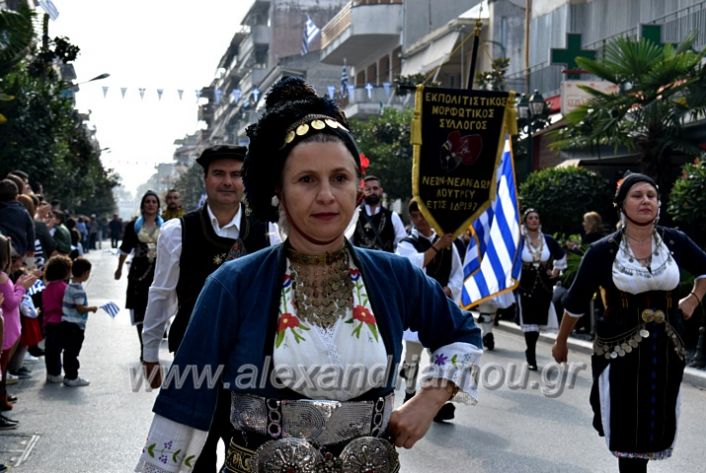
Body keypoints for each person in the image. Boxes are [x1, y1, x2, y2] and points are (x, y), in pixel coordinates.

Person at [135, 77, 482, 473]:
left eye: (340, 178)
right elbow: (183, 412)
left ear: (357, 189)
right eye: (306, 180)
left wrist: (430, 397)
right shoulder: (234, 284)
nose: (326, 196)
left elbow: (461, 334)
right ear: (278, 191)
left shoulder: (394, 276)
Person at [553, 173, 706, 473]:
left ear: (659, 205)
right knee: (626, 419)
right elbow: (575, 302)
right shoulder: (603, 250)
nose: (645, 201)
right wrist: (561, 342)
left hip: (666, 349)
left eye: (651, 195)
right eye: (637, 195)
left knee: (657, 416)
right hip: (619, 348)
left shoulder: (675, 241)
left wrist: (693, 298)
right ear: (621, 204)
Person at [141, 145, 273, 472]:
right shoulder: (177, 231)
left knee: (246, 456)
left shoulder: (267, 232)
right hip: (194, 360)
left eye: (236, 174)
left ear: (246, 180)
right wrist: (149, 353)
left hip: (251, 364)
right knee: (192, 457)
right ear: (205, 179)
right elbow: (161, 295)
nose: (227, 182)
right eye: (219, 174)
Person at [396, 198, 463, 421]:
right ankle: (409, 393)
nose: (419, 219)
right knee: (413, 355)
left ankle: (436, 402)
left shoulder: (448, 243)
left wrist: (449, 289)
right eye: (414, 216)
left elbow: (457, 272)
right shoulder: (406, 243)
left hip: (440, 307)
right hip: (418, 309)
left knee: (440, 356)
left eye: (423, 214)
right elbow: (414, 265)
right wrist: (437, 246)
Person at [115, 191, 163, 361]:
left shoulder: (164, 227)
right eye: (147, 201)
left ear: (158, 205)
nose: (151, 204)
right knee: (141, 310)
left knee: (157, 311)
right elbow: (125, 248)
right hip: (138, 272)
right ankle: (144, 348)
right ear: (143, 205)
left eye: (154, 202)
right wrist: (119, 268)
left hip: (158, 271)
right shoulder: (134, 226)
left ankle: (153, 347)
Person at [517, 209, 566, 370]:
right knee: (529, 321)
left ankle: (531, 348)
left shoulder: (548, 240)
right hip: (526, 284)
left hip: (544, 286)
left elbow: (561, 255)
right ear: (525, 221)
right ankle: (531, 354)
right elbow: (509, 259)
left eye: (536, 218)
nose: (534, 220)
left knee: (538, 321)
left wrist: (556, 271)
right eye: (530, 218)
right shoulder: (519, 241)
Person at [0, 236, 37, 427]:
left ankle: (2, 400)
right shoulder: (2, 276)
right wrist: (22, 288)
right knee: (1, 370)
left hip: (8, 328)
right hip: (6, 330)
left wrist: (18, 286)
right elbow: (11, 302)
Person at [60, 257, 97, 387]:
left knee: (68, 352)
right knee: (73, 352)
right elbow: (80, 308)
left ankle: (67, 376)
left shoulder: (69, 286)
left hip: (65, 323)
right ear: (85, 273)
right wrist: (91, 309)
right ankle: (72, 377)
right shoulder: (78, 290)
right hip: (75, 326)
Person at [351, 175, 407, 251]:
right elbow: (348, 242)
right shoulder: (355, 216)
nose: (372, 192)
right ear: (363, 191)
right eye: (368, 189)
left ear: (381, 191)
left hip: (385, 262)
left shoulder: (392, 216)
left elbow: (403, 244)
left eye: (375, 188)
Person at [41, 255, 72, 383]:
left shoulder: (47, 287)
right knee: (59, 349)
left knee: (51, 349)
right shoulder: (64, 287)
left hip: (48, 321)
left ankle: (51, 373)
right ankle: (56, 373)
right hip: (61, 321)